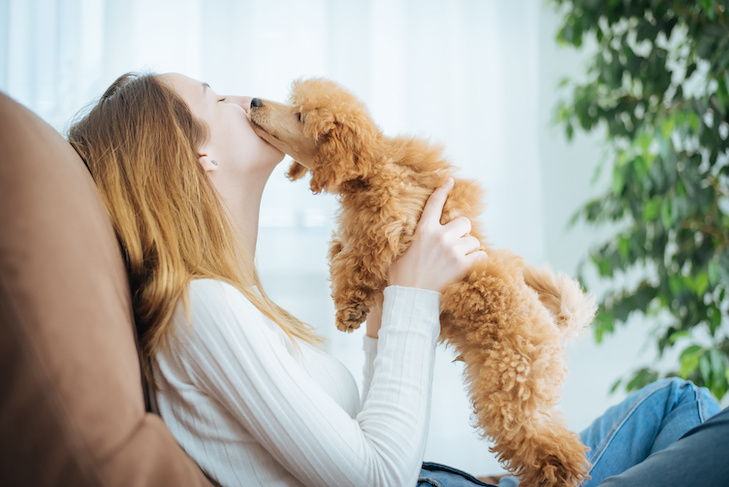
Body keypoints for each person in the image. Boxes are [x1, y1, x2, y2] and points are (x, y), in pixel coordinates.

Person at [67, 72, 727, 487]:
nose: (244, 97)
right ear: (196, 155)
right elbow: (378, 477)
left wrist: (387, 314)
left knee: (678, 402)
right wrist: (411, 293)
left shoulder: (229, 297)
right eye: (214, 96)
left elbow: (361, 438)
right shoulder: (201, 310)